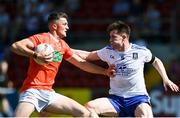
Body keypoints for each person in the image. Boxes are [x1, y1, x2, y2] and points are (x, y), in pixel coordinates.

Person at [11, 11, 113, 117]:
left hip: (49, 94)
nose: (67, 27)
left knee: (85, 113)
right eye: (64, 24)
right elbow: (15, 46)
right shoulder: (41, 38)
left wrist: (104, 71)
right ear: (54, 26)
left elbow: (82, 64)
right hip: (32, 91)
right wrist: (35, 55)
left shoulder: (63, 45)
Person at [72, 20, 179, 117]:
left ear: (124, 37)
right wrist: (67, 49)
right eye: (110, 37)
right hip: (116, 99)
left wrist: (165, 78)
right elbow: (87, 55)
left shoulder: (141, 51)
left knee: (145, 115)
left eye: (113, 37)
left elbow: (156, 61)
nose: (110, 40)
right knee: (89, 107)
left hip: (137, 98)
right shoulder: (107, 51)